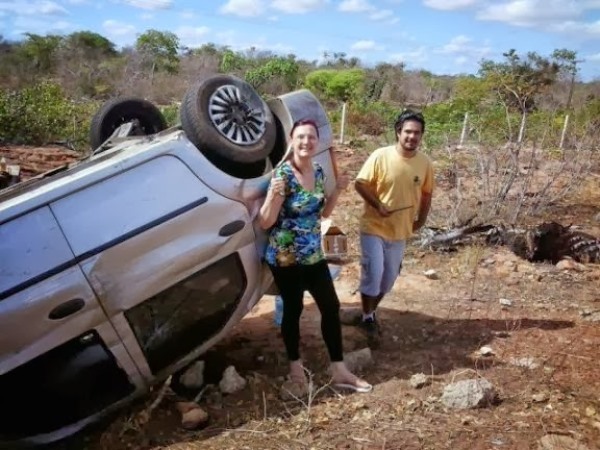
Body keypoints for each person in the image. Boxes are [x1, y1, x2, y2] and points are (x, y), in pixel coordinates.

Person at [258, 118, 372, 394]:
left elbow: (322, 215)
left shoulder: (318, 171)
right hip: (286, 257)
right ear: (292, 141)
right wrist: (272, 197)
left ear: (317, 142)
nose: (306, 142)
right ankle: (296, 370)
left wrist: (337, 191)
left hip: (312, 254)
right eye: (301, 137)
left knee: (330, 308)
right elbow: (264, 222)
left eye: (311, 137)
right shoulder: (282, 175)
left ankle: (339, 370)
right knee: (293, 311)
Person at [354, 110, 434, 345]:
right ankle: (368, 317)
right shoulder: (381, 155)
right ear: (398, 132)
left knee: (388, 280)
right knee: (374, 273)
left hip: (400, 231)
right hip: (374, 227)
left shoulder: (425, 162)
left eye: (417, 133)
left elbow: (427, 194)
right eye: (408, 131)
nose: (412, 136)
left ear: (421, 136)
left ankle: (367, 312)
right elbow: (360, 184)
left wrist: (422, 219)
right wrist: (377, 205)